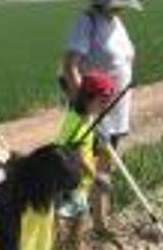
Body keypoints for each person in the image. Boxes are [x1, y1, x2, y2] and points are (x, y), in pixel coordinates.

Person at [60, 0, 142, 234]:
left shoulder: (116, 23)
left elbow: (126, 57)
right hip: (93, 113)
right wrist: (83, 109)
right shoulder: (87, 21)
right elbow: (70, 65)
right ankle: (74, 234)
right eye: (121, 1)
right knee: (83, 173)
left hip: (117, 109)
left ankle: (100, 223)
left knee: (106, 168)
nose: (124, 8)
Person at [54, 69, 116, 250]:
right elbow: (78, 155)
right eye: (103, 100)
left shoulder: (79, 112)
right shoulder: (79, 122)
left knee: (73, 222)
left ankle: (72, 244)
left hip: (71, 179)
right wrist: (97, 177)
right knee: (74, 223)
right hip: (70, 182)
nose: (107, 104)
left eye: (109, 99)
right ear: (89, 97)